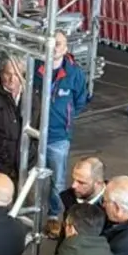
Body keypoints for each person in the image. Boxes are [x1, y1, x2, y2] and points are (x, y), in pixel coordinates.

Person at [36, 30, 88, 225]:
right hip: (32, 133)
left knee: (57, 180)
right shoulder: (34, 68)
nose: (54, 47)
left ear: (66, 48)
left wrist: (65, 118)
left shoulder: (74, 73)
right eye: (51, 43)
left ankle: (53, 216)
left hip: (58, 136)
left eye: (59, 43)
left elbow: (80, 100)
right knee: (25, 174)